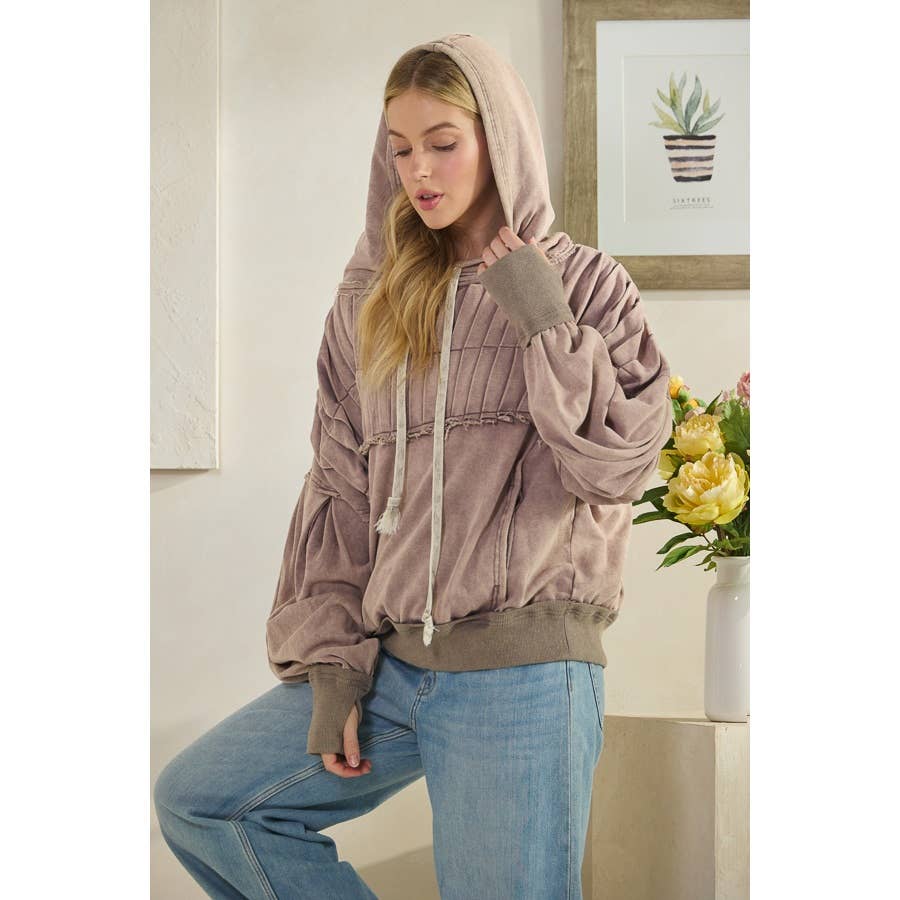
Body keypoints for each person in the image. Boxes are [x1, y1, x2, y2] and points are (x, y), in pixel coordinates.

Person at [153, 32, 672, 899]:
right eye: (400, 149)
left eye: (443, 143)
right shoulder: (373, 300)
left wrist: (543, 318)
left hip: (522, 676)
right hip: (392, 672)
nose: (419, 171)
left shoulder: (587, 285)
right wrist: (334, 667)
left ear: (499, 143)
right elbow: (340, 493)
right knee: (207, 802)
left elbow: (614, 468)